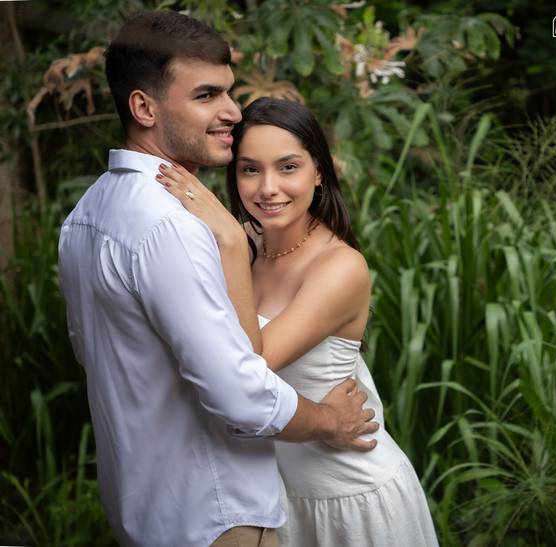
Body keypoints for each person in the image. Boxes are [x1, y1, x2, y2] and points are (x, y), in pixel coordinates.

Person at [57, 11, 377, 547]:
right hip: (217, 517)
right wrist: (329, 421)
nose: (232, 112)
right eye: (206, 95)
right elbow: (241, 394)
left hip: (145, 508)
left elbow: (94, 355)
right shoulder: (172, 228)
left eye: (229, 93)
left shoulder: (86, 216)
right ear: (144, 107)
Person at [155, 97, 439, 546]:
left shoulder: (339, 267)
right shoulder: (248, 252)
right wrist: (235, 246)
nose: (268, 187)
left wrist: (228, 239)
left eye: (288, 167)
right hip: (278, 499)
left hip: (352, 499)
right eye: (250, 169)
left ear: (319, 172)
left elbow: (250, 364)